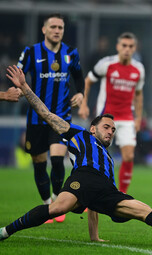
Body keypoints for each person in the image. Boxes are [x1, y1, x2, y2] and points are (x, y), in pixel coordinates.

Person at [0, 65, 152, 242]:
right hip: (82, 178)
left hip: (107, 190)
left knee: (146, 212)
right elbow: (46, 114)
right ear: (93, 128)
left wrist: (94, 237)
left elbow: (93, 204)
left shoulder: (108, 160)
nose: (111, 131)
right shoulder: (78, 135)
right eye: (106, 127)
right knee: (57, 208)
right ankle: (5, 232)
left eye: (113, 129)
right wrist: (25, 87)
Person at [17, 13, 84, 223]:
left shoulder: (70, 53)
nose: (57, 31)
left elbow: (79, 78)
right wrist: (15, 90)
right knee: (39, 163)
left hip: (61, 117)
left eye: (60, 28)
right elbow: (17, 75)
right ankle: (47, 205)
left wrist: (80, 93)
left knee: (57, 160)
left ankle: (56, 201)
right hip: (36, 119)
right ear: (44, 29)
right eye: (53, 27)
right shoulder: (30, 52)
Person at [78, 32, 144, 193]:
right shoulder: (106, 64)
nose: (127, 49)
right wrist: (84, 104)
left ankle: (121, 195)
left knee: (128, 157)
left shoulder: (138, 69)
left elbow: (139, 94)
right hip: (105, 117)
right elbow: (88, 81)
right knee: (96, 159)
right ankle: (90, 192)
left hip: (127, 118)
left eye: (130, 46)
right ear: (118, 47)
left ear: (134, 48)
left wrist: (138, 119)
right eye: (124, 46)